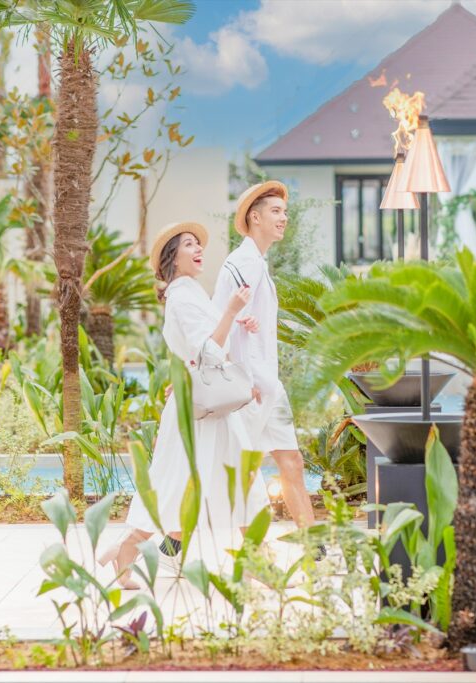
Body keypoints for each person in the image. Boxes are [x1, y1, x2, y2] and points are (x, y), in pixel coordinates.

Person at [99, 221, 270, 589]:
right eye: (189, 244)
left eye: (198, 244)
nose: (199, 249)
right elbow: (206, 353)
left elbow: (207, 343)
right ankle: (125, 550)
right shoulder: (180, 297)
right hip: (199, 411)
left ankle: (256, 559)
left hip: (210, 407)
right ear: (172, 258)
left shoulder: (191, 291)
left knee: (241, 477)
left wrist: (238, 321)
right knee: (175, 485)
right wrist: (231, 311)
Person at [211, 181, 318, 541]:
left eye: (284, 212)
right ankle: (251, 553)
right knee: (246, 469)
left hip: (269, 385)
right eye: (275, 211)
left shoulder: (257, 262)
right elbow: (220, 320)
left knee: (292, 462)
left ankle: (313, 547)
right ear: (254, 218)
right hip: (250, 387)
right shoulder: (242, 264)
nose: (283, 218)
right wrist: (243, 379)